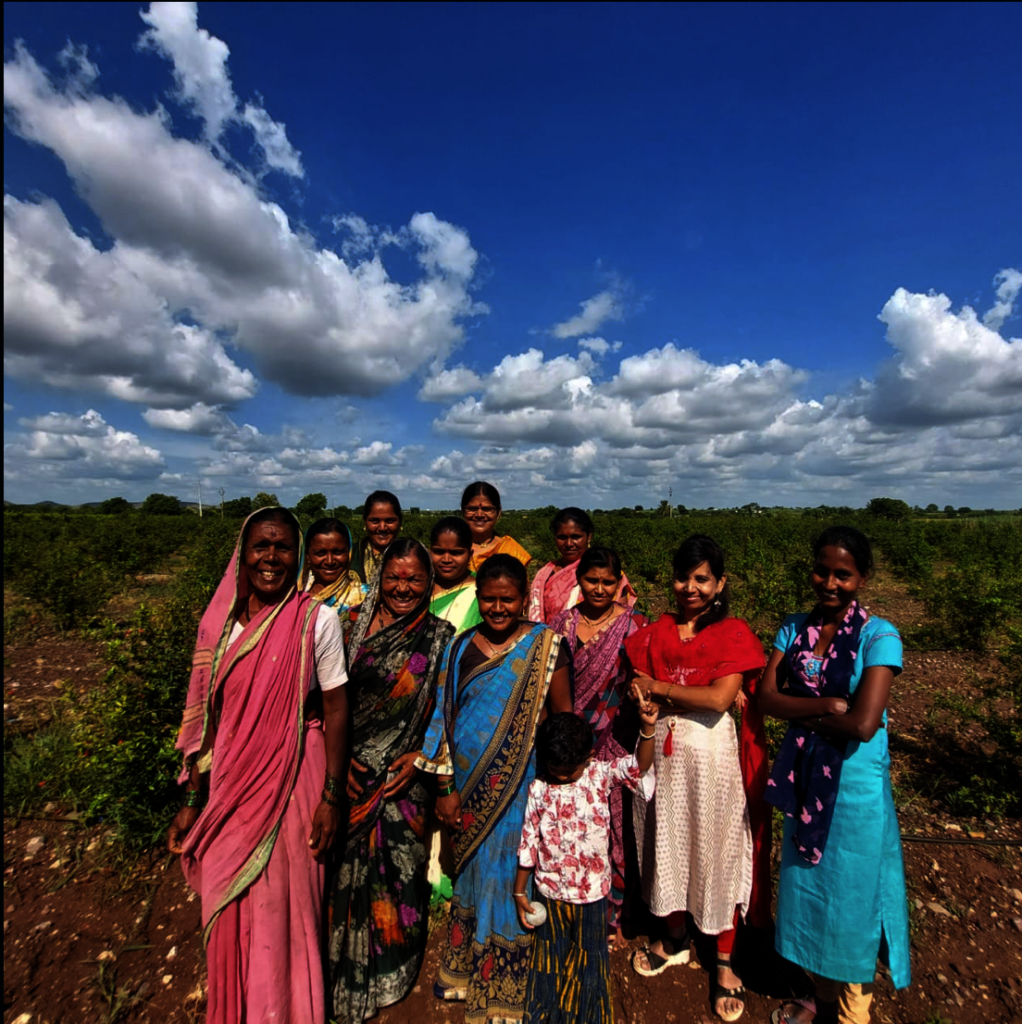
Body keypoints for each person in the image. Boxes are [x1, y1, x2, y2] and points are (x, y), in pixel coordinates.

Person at [168, 507, 348, 1024]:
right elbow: (204, 720)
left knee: (288, 905)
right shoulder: (217, 626)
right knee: (226, 904)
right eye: (261, 547)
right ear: (242, 555)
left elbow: (336, 708)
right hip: (231, 780)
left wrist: (332, 797)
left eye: (283, 547)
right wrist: (191, 801)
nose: (271, 558)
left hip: (295, 777)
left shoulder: (318, 619)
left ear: (299, 557)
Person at [759, 526, 910, 1024]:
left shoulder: (879, 635)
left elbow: (864, 724)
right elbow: (765, 698)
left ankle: (851, 1013)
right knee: (812, 894)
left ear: (861, 577)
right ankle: (820, 1000)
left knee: (852, 901)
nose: (829, 582)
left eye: (842, 574)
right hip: (809, 781)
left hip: (854, 791)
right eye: (822, 570)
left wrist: (797, 710)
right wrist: (824, 705)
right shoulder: (794, 627)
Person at [418, 553, 573, 1024]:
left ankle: (507, 983)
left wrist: (557, 788)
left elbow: (561, 722)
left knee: (514, 875)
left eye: (508, 599)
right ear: (478, 596)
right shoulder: (460, 646)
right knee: (472, 877)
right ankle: (465, 969)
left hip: (524, 786)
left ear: (525, 598)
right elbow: (442, 719)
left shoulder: (549, 646)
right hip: (466, 788)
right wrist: (445, 787)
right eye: (489, 599)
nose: (498, 608)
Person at [626, 535, 767, 1024]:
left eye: (702, 578)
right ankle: (675, 938)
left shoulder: (733, 633)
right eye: (684, 577)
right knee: (667, 841)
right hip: (663, 752)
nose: (691, 587)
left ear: (720, 583)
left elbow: (719, 700)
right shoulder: (654, 631)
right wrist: (642, 693)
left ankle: (724, 958)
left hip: (712, 760)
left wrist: (660, 688)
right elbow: (638, 683)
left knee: (716, 847)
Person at [327, 538, 454, 1022]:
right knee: (340, 879)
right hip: (348, 776)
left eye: (414, 579)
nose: (403, 587)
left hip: (404, 779)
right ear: (380, 577)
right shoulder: (346, 627)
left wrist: (423, 755)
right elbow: (322, 704)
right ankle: (339, 973)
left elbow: (446, 707)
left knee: (399, 877)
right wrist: (336, 764)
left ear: (428, 583)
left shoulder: (440, 636)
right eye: (395, 578)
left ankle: (391, 972)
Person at [514, 707, 658, 1024]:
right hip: (549, 894)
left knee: (589, 956)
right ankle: (547, 1014)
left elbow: (638, 766)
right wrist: (519, 892)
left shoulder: (599, 776)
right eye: (555, 769)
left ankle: (586, 1015)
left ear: (589, 757)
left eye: (570, 770)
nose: (562, 777)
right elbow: (528, 843)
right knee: (550, 955)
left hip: (592, 897)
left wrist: (647, 730)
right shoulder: (538, 789)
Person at [548, 546, 647, 945]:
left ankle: (611, 912)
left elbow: (640, 678)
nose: (600, 588)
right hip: (568, 742)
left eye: (609, 581)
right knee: (569, 825)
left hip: (614, 741)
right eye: (592, 580)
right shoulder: (560, 624)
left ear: (620, 581)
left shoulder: (634, 625)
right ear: (579, 581)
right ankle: (567, 902)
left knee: (612, 827)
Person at [528, 508, 636, 624]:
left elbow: (621, 620)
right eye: (562, 537)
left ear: (588, 536)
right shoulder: (545, 574)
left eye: (576, 537)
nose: (569, 544)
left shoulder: (607, 571)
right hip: (549, 640)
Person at [461, 481, 532, 573]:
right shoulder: (450, 548)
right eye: (472, 509)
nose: (479, 514)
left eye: (487, 509)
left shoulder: (511, 550)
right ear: (463, 511)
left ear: (498, 512)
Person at [429, 515, 483, 635]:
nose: (446, 559)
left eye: (456, 553)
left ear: (470, 554)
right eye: (439, 552)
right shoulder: (420, 587)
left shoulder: (481, 589)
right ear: (430, 551)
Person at [303, 516, 364, 612]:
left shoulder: (365, 597)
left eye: (338, 552)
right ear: (307, 555)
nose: (330, 561)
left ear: (349, 552)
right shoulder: (295, 596)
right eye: (320, 553)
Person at [351, 490, 402, 585]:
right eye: (375, 521)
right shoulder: (350, 556)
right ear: (365, 521)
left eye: (389, 521)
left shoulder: (412, 556)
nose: (382, 527)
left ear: (400, 522)